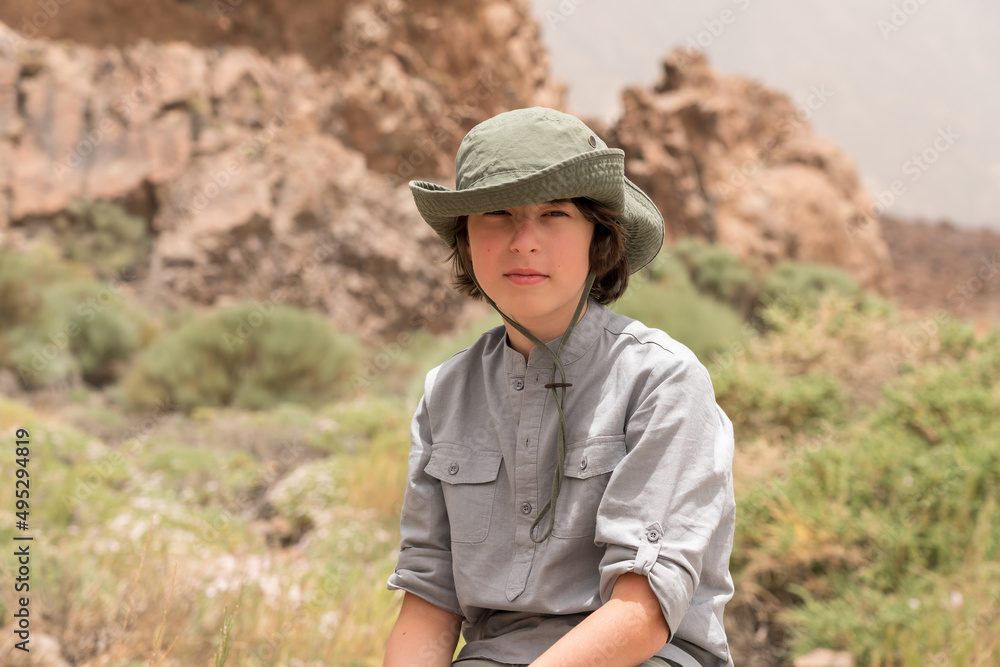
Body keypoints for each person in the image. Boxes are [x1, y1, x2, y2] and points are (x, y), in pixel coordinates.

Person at [384, 107, 736, 667]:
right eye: (497, 213)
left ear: (600, 238)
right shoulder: (446, 392)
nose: (524, 241)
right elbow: (429, 595)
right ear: (467, 240)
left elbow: (640, 613)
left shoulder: (662, 380)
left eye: (554, 214)